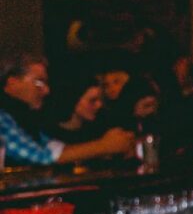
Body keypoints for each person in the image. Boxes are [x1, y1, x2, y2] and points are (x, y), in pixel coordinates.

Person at [0, 53, 134, 166]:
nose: (46, 90)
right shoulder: (2, 118)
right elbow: (40, 157)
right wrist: (104, 146)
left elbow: (54, 148)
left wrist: (113, 146)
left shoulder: (23, 119)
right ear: (13, 83)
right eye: (39, 82)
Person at [46, 76, 105, 145]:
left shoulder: (97, 131)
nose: (99, 105)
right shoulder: (50, 136)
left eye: (100, 99)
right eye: (92, 100)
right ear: (74, 101)